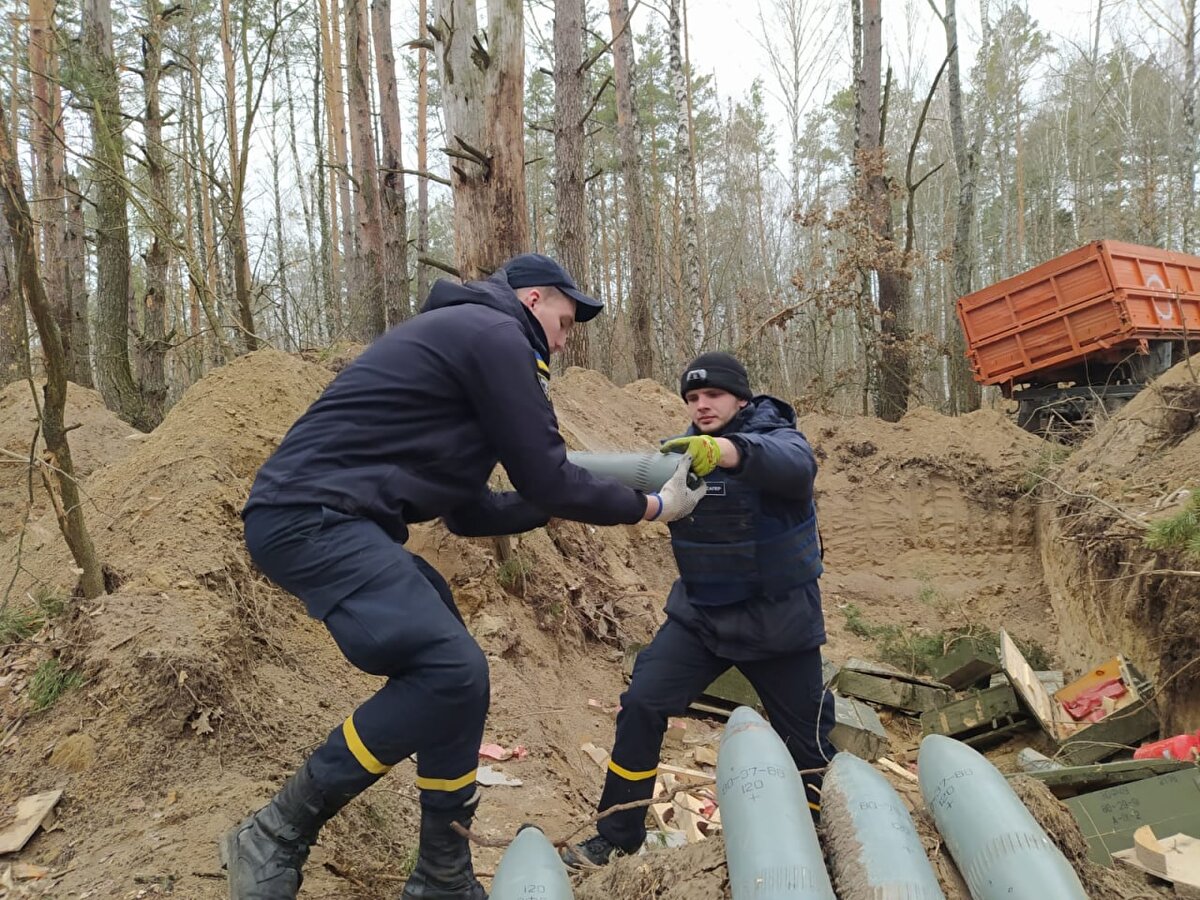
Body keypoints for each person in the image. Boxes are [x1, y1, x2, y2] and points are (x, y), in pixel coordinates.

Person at [221, 253, 706, 900]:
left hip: (338, 519)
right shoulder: (494, 335)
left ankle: (442, 871)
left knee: (460, 675)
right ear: (534, 299)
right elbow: (546, 474)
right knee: (450, 669)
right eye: (568, 316)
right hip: (311, 516)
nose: (569, 335)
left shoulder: (467, 346)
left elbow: (470, 513)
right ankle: (274, 832)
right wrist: (651, 506)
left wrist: (557, 500)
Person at [562, 351, 836, 867]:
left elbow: (795, 467)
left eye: (712, 395)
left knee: (809, 743)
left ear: (741, 399)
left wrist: (727, 450)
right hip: (702, 618)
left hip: (780, 624)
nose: (701, 405)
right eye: (692, 398)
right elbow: (601, 487)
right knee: (641, 704)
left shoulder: (778, 438)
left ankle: (823, 836)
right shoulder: (679, 456)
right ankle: (617, 834)